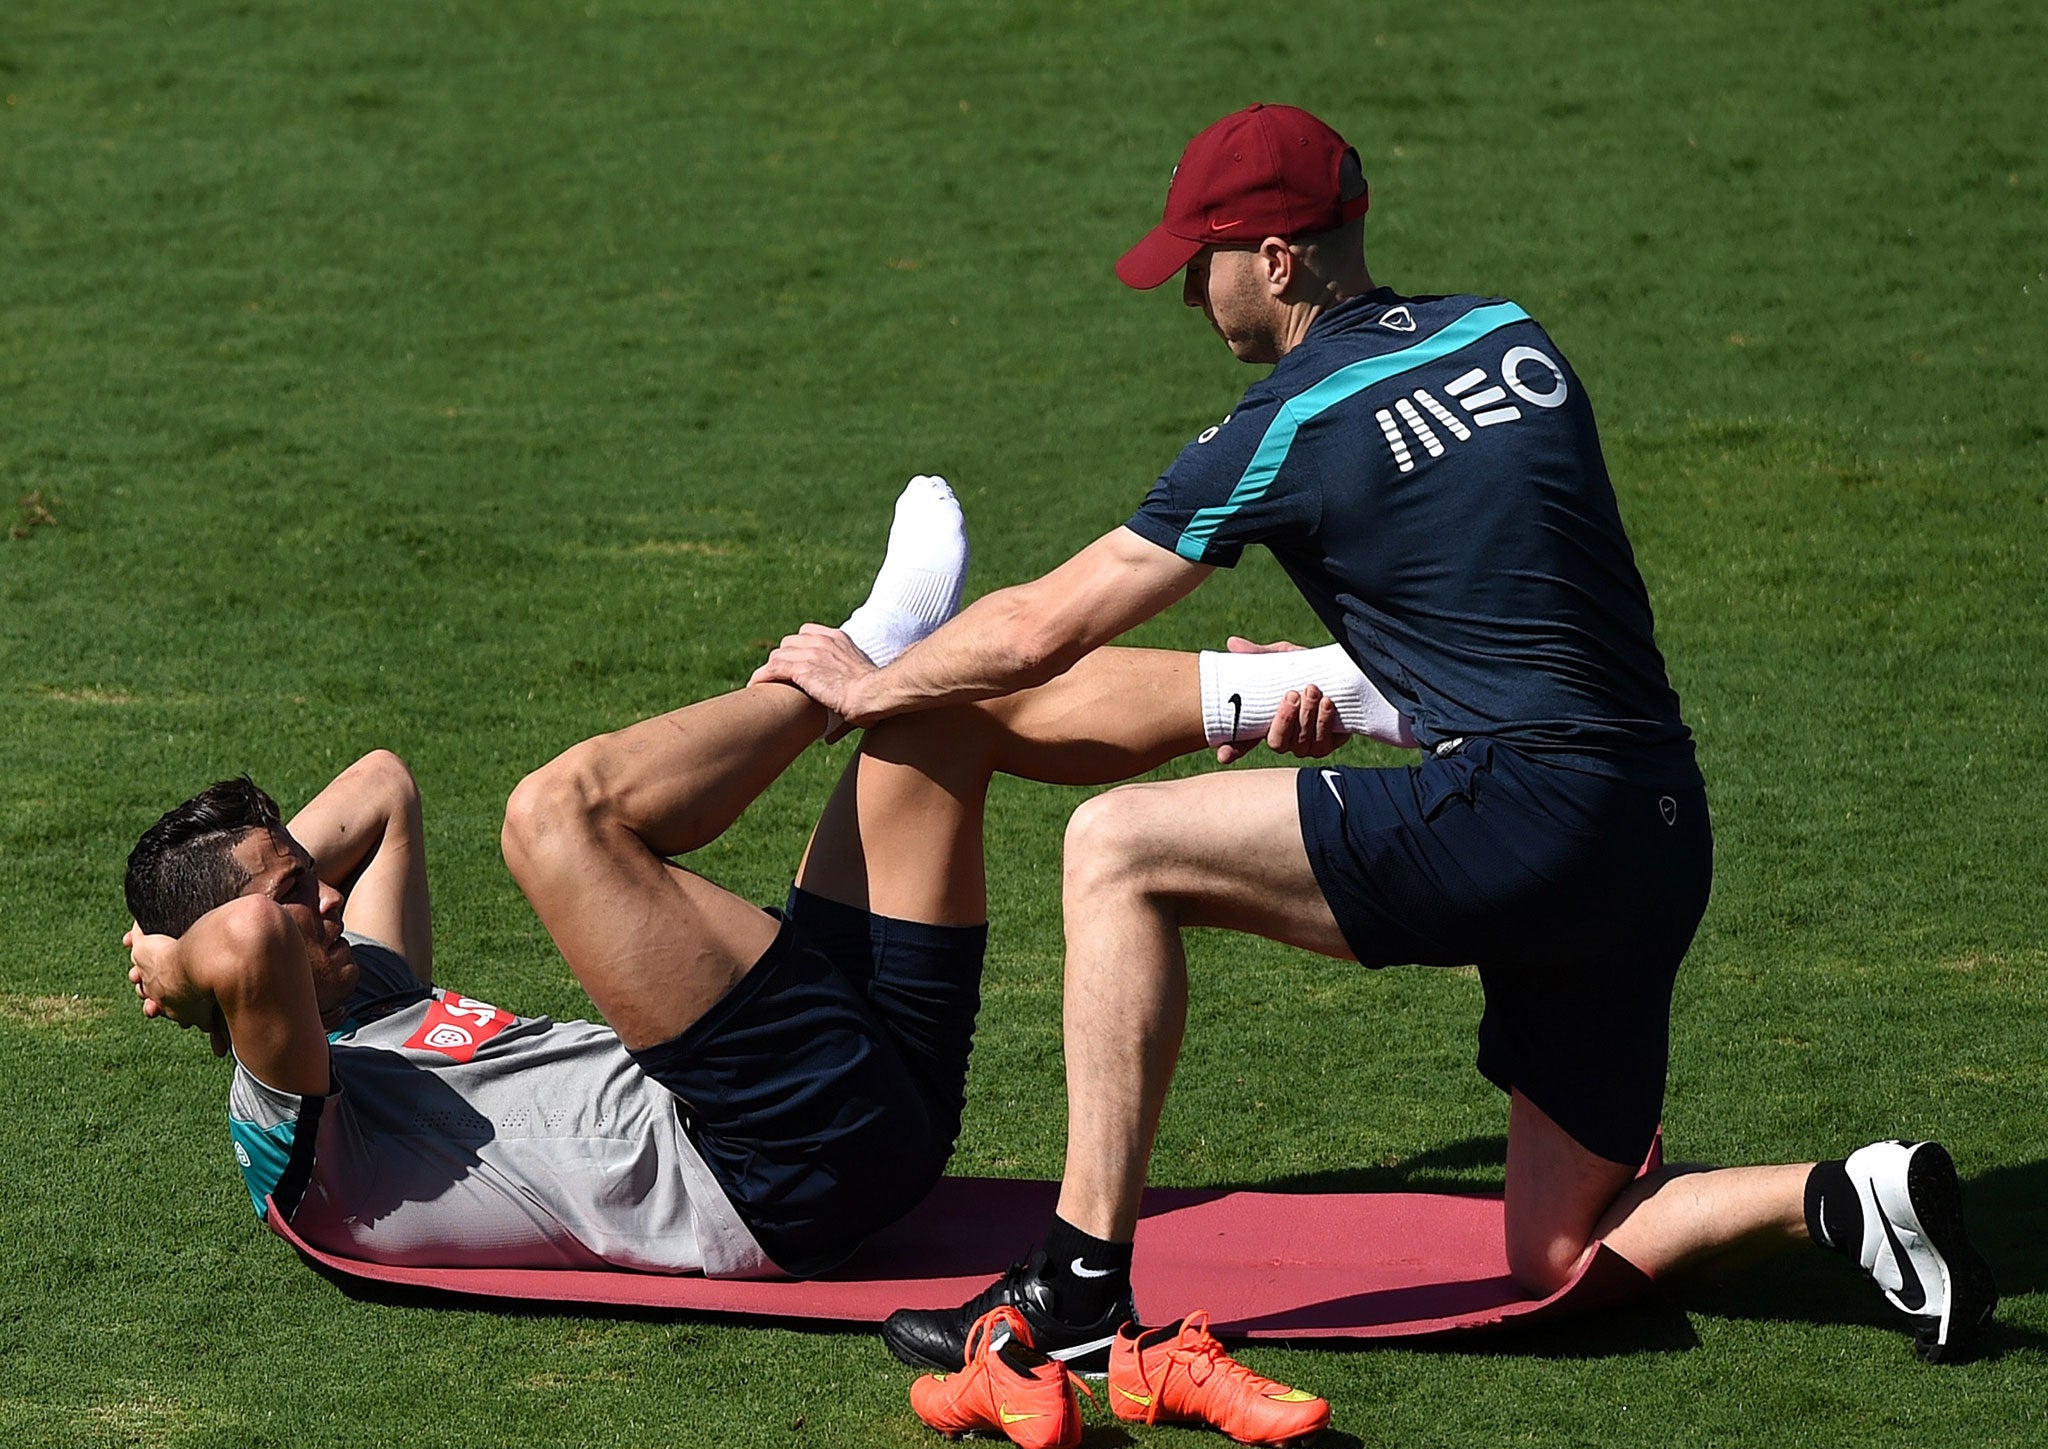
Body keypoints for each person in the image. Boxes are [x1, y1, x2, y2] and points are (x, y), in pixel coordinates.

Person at [754, 107, 1997, 1368]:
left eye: (1204, 260)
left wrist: (871, 682)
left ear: (1279, 260)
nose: (1190, 293)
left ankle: (1077, 1288)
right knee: (1557, 1256)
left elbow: (1042, 629)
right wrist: (1364, 681)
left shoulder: (1286, 425)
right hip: (1654, 828)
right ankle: (1849, 1194)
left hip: (1525, 817)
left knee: (1114, 849)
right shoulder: (1509, 335)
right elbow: (1514, 590)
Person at [119, 477, 1392, 1281]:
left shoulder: (371, 994)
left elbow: (384, 785)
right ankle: (845, 663)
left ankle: (1336, 691)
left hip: (838, 1096)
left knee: (939, 710)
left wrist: (266, 892)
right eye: (298, 896)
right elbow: (244, 946)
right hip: (766, 1165)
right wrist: (174, 959)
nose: (325, 899)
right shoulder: (289, 1122)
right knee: (554, 818)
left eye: (308, 878)